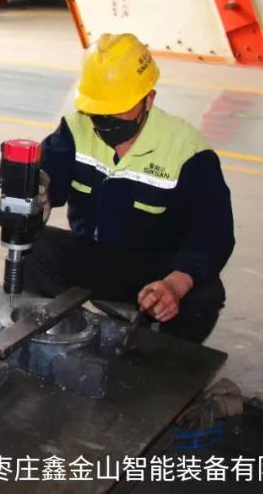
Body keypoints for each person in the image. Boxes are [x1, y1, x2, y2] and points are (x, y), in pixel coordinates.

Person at [26, 33, 234, 343]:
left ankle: (158, 358)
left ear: (149, 99)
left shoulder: (188, 152)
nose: (107, 120)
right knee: (35, 247)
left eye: (119, 109)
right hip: (93, 255)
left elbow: (214, 235)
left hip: (154, 269)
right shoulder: (76, 129)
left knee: (205, 293)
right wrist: (31, 190)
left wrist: (174, 285)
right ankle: (54, 337)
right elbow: (46, 182)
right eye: (100, 109)